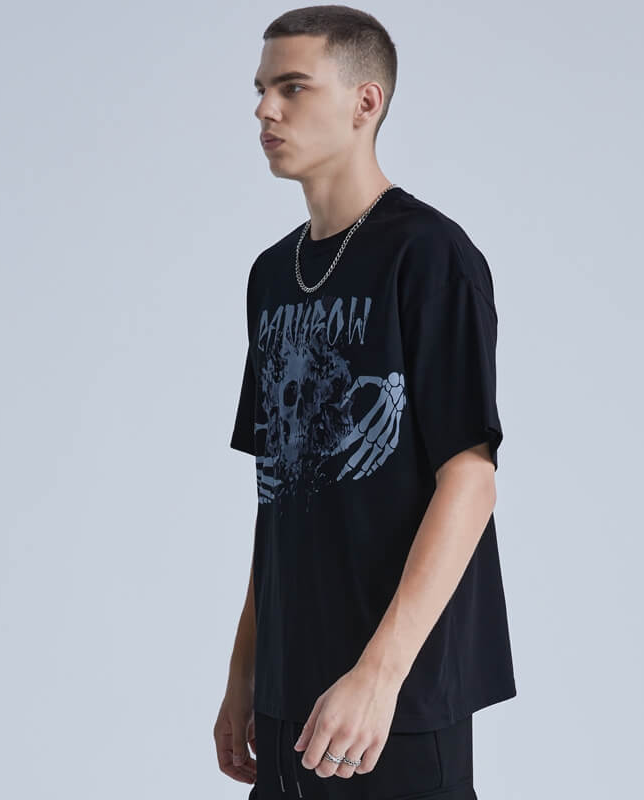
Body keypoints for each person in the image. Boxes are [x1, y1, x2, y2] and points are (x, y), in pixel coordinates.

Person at [213, 6, 517, 798]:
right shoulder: (271, 276)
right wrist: (245, 672)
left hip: (394, 700)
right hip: (289, 696)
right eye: (260, 89)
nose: (264, 110)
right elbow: (278, 490)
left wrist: (380, 675)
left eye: (292, 87)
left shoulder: (429, 255)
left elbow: (470, 478)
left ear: (364, 102)